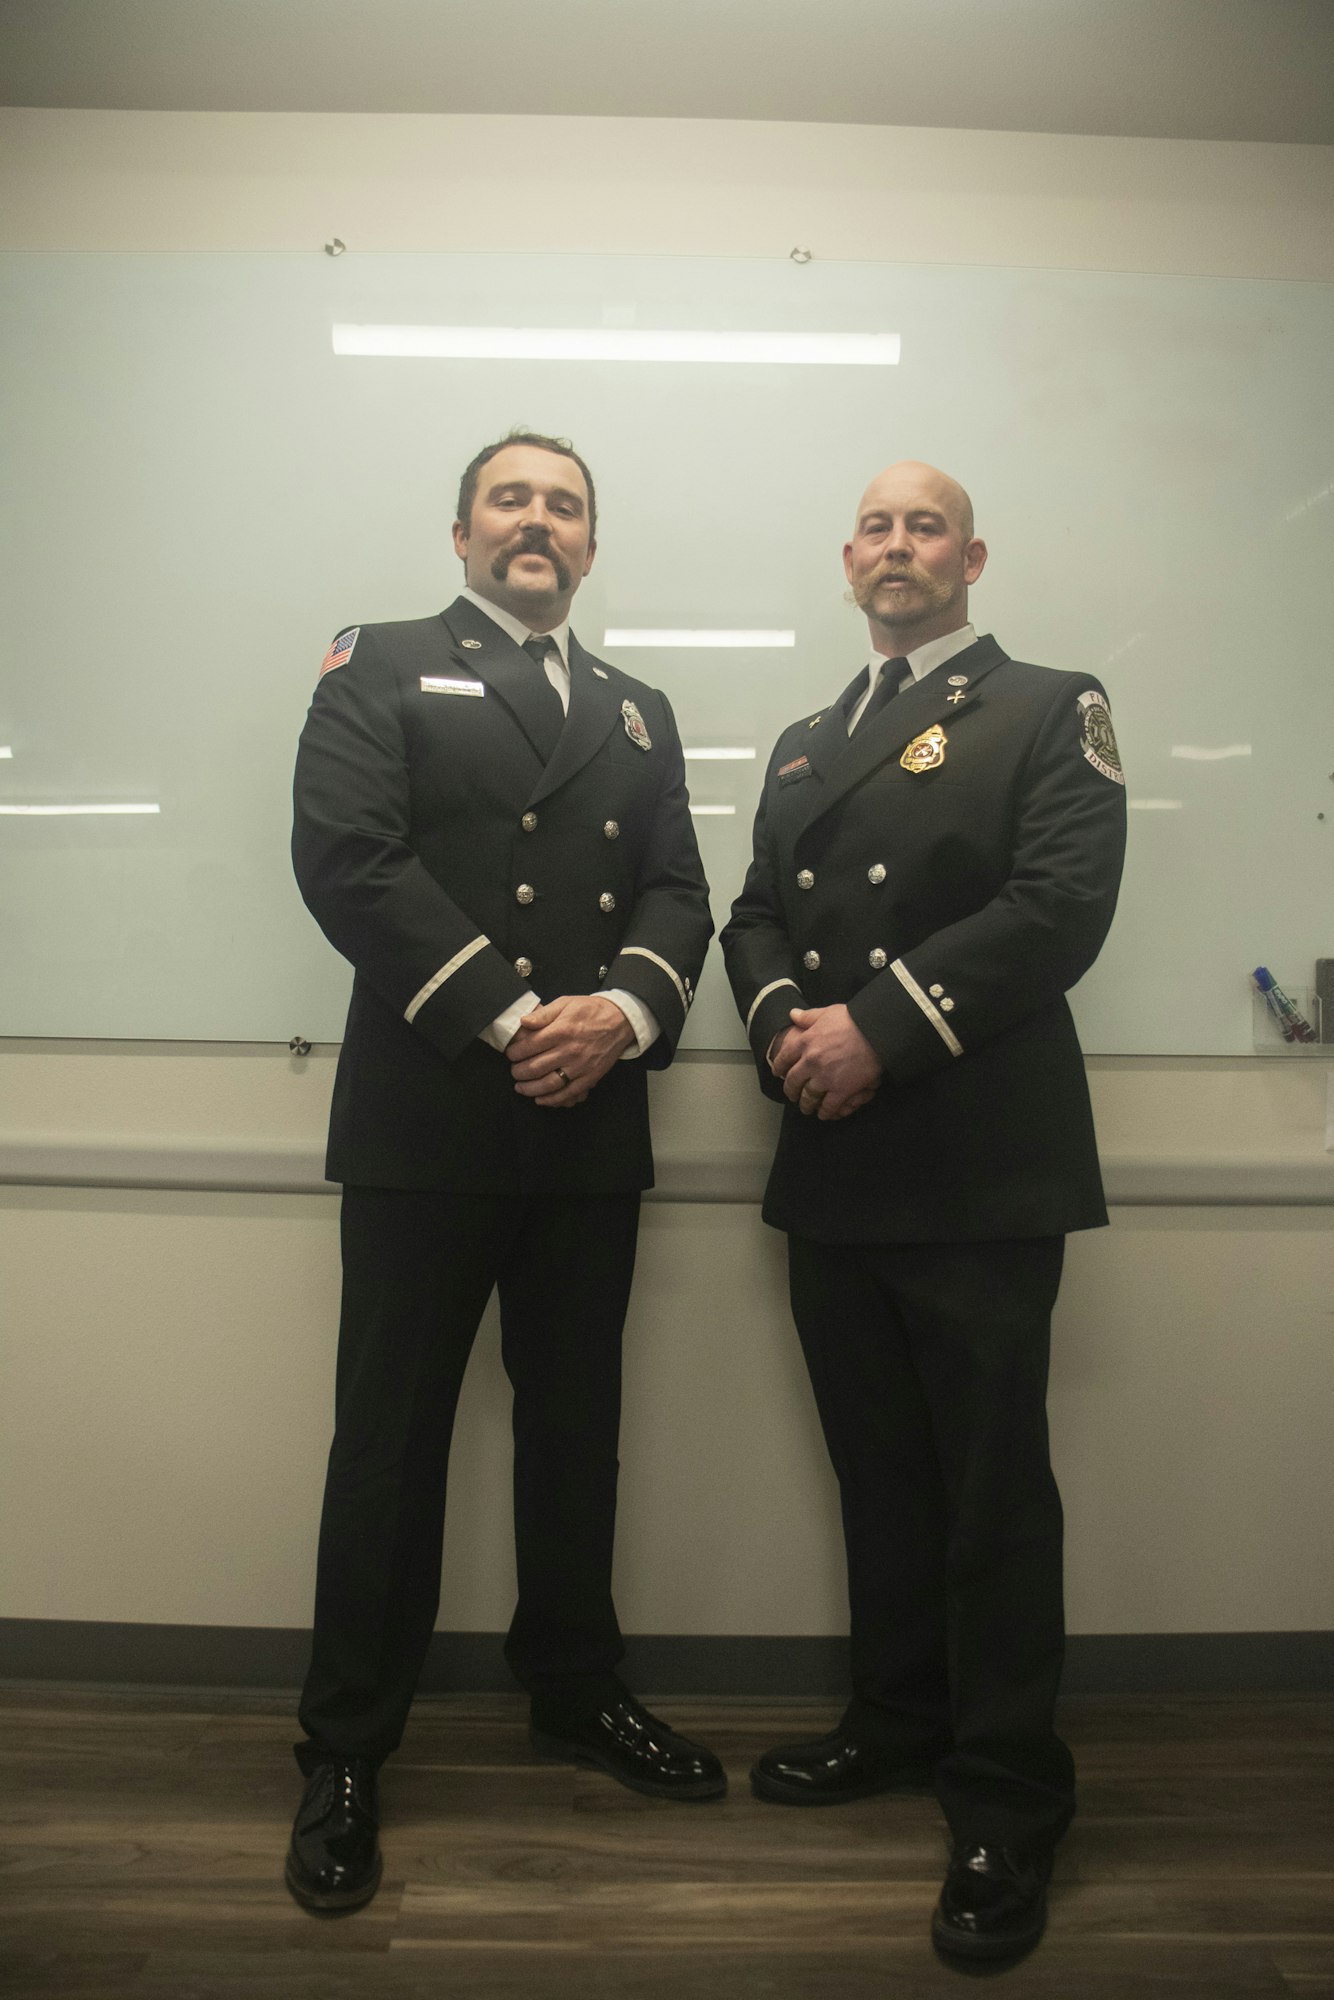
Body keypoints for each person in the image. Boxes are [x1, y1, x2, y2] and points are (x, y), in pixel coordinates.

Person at [286, 429, 722, 1914]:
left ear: (590, 546)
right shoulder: (379, 662)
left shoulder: (639, 709)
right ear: (462, 530)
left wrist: (628, 1010)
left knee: (574, 1429)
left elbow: (679, 887)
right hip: (432, 1115)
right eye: (511, 500)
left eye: (565, 505)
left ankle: (571, 1688)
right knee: (389, 1446)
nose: (537, 523)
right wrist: (520, 1013)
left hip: (588, 1120)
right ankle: (344, 1749)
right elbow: (348, 856)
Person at [720, 460, 1126, 1962]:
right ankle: (894, 1721)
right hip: (833, 1159)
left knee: (987, 1495)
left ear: (971, 555)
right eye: (876, 528)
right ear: (848, 562)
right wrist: (781, 1028)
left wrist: (872, 1030)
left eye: (926, 525)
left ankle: (1011, 1794)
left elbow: (1058, 905)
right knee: (877, 1475)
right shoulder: (805, 738)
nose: (901, 547)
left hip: (971, 1157)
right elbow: (751, 908)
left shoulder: (1045, 704)